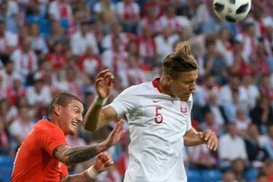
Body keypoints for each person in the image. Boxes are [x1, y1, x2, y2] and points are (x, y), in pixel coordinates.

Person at [83, 41, 218, 182]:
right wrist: (100, 100)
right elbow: (91, 125)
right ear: (168, 79)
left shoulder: (185, 98)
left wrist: (202, 137)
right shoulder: (137, 94)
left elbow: (183, 135)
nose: (193, 87)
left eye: (194, 81)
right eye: (187, 82)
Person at [11, 93, 126, 182]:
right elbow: (67, 156)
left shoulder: (54, 142)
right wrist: (105, 145)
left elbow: (65, 181)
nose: (80, 119)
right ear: (58, 109)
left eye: (82, 114)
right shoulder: (47, 129)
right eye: (76, 111)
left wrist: (94, 170)